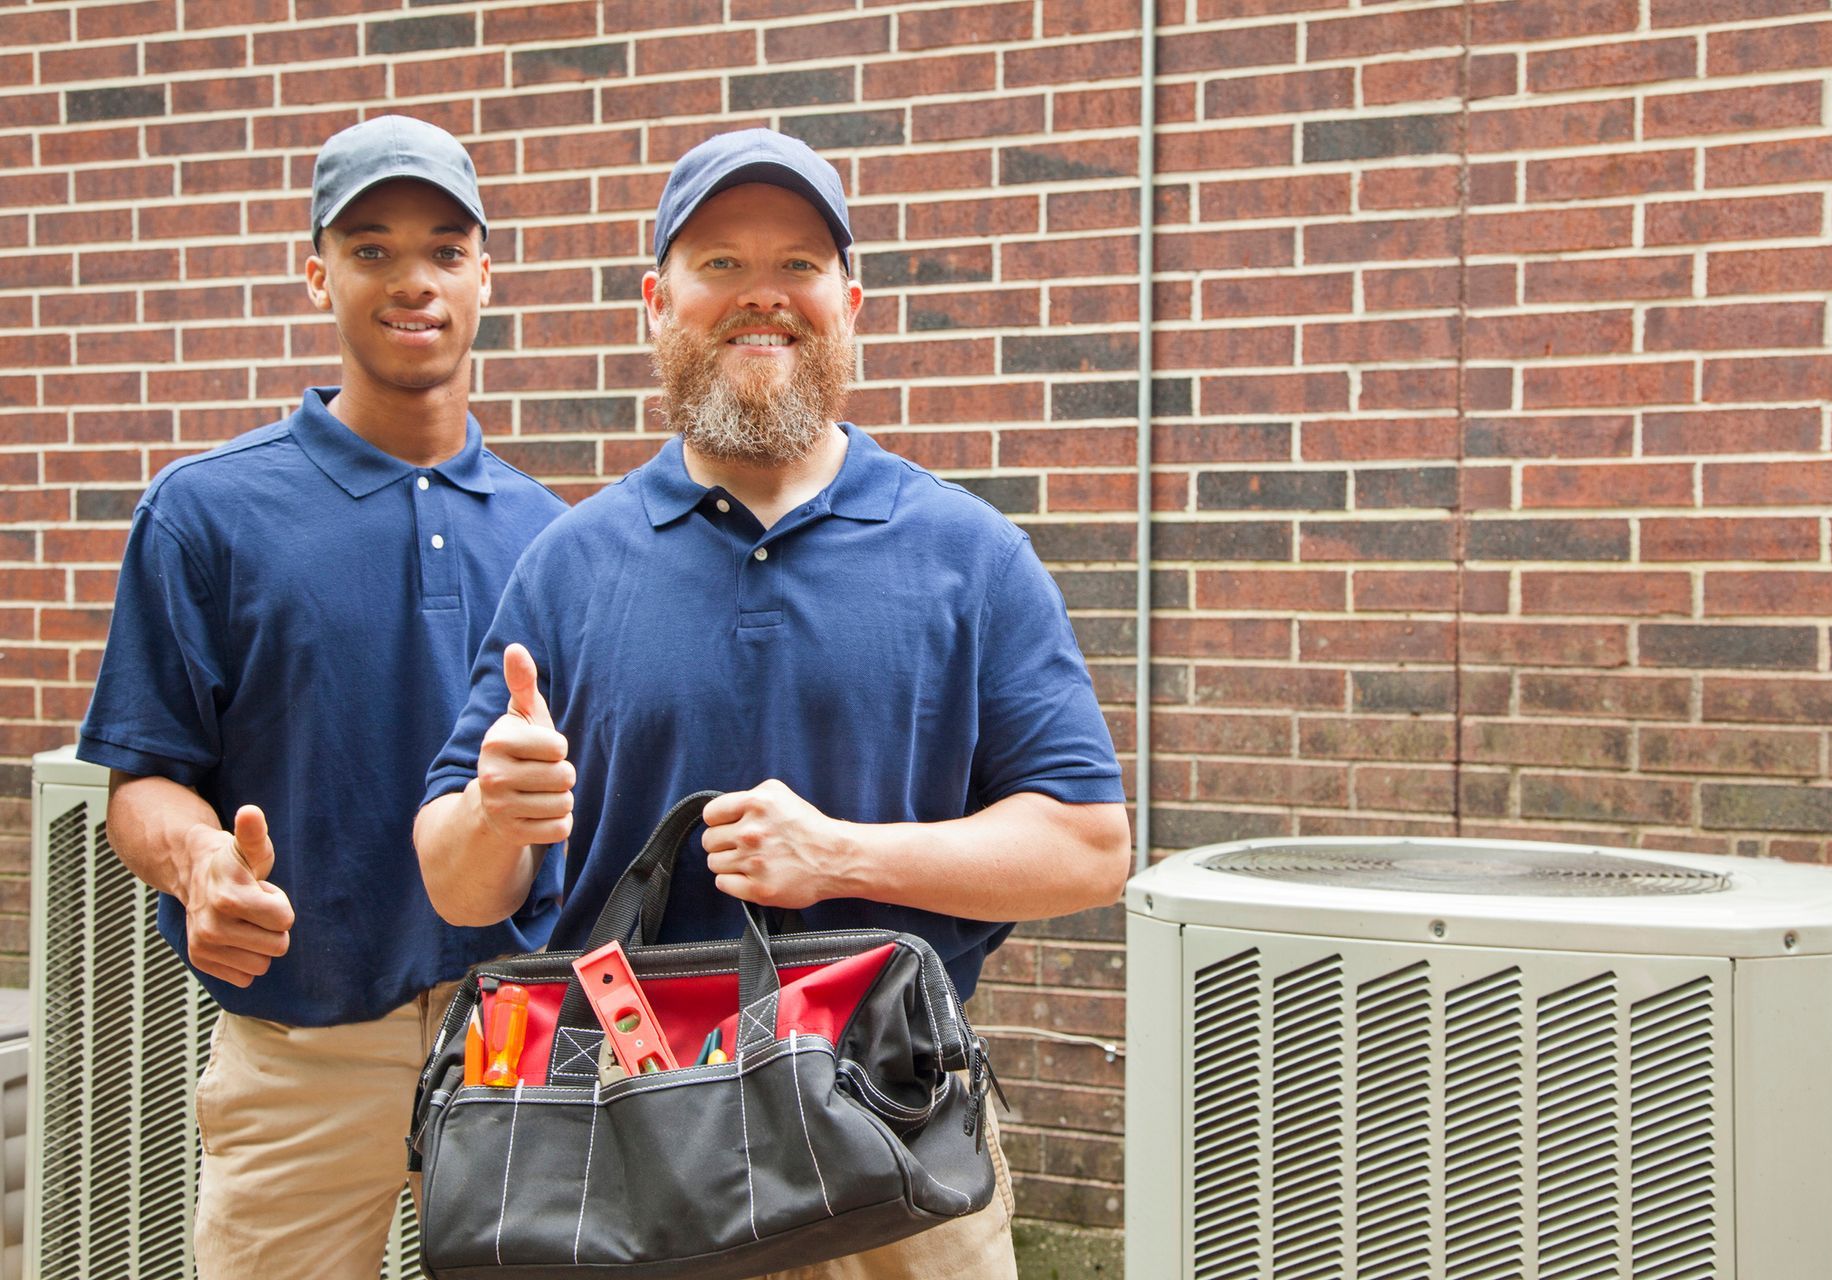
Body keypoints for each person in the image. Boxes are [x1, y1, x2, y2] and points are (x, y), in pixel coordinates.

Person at [413, 127, 1132, 1278]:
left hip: (894, 1149)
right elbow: (456, 878)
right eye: (720, 265)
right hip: (619, 1150)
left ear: (853, 299)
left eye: (798, 264)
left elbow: (1091, 847)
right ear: (657, 300)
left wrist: (840, 853)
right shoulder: (568, 562)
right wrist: (495, 813)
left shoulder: (970, 554)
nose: (764, 297)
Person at [76, 115, 568, 1279]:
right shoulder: (205, 513)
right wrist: (197, 862)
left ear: (486, 274)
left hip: (518, 1034)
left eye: (447, 250)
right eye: (372, 248)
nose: (414, 281)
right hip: (300, 1043)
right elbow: (143, 780)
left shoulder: (559, 540)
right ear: (318, 271)